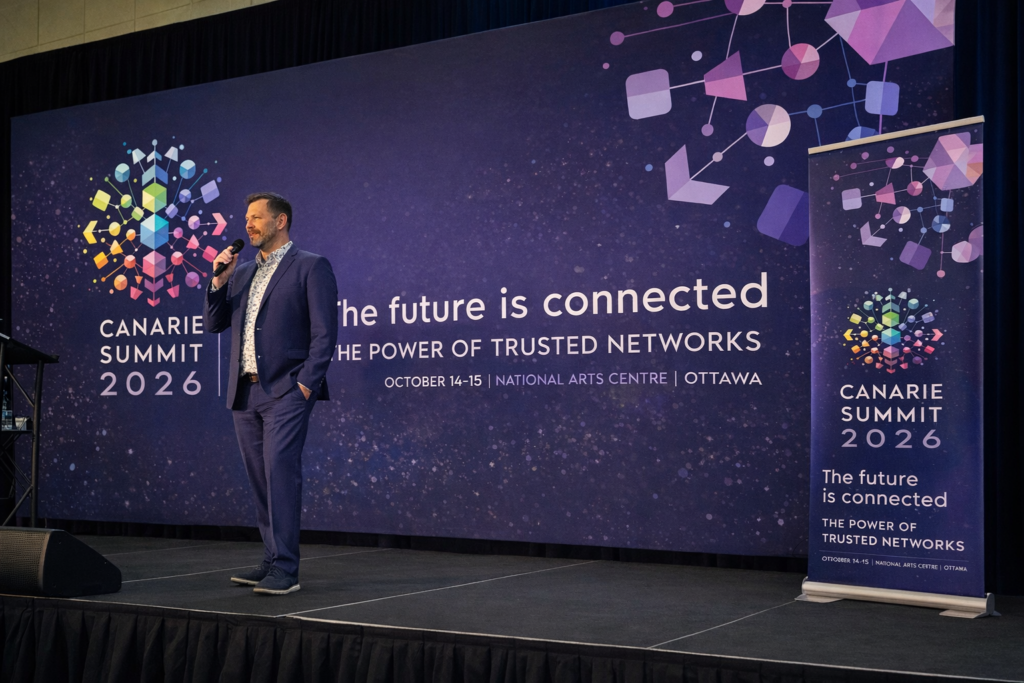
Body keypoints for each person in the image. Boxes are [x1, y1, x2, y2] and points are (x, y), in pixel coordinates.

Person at [204, 192, 338, 595]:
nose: (248, 224)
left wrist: (305, 385)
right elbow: (215, 325)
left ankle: (287, 569)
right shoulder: (241, 272)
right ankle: (270, 559)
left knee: (281, 473)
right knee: (260, 478)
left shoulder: (311, 266)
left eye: (257, 218)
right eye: (247, 218)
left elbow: (325, 334)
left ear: (280, 222)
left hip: (286, 390)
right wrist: (217, 282)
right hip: (244, 393)